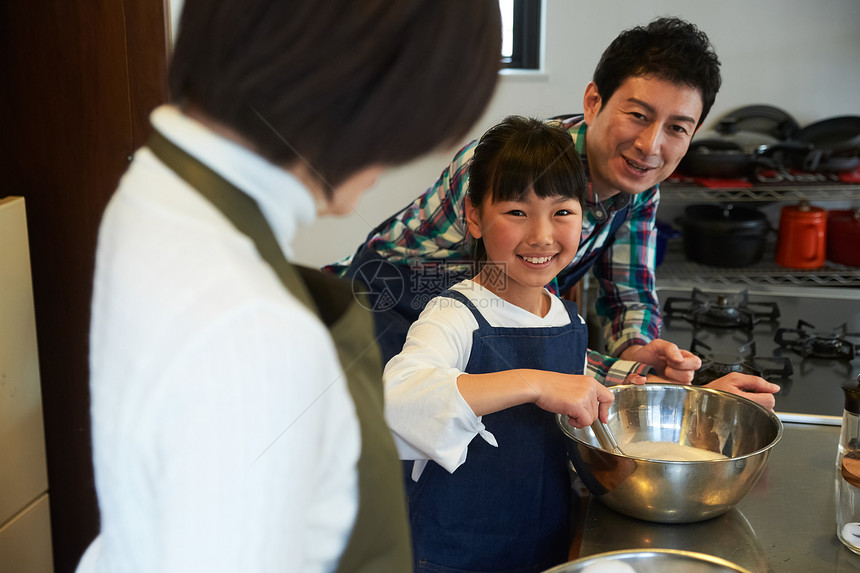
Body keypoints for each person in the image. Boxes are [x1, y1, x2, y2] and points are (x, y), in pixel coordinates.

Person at [77, 1, 501, 572]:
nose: (392, 163)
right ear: (349, 91)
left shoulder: (154, 189)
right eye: (408, 130)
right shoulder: (255, 329)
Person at [331, 16, 779, 409]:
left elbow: (628, 294)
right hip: (384, 307)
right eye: (639, 115)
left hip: (475, 323)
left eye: (677, 128)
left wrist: (638, 348)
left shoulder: (638, 184)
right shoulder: (513, 171)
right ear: (594, 102)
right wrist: (660, 388)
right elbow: (525, 330)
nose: (651, 145)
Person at [385, 116, 622, 572]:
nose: (541, 235)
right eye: (516, 211)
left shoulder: (568, 319)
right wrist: (533, 383)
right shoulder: (453, 314)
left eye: (562, 212)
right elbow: (396, 401)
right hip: (454, 555)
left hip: (541, 547)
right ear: (474, 216)